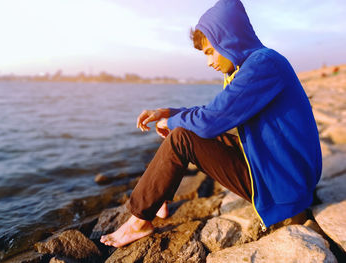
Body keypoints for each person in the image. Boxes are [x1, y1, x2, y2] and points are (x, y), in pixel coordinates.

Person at [100, 0, 322, 247]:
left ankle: (139, 221)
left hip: (284, 184)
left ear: (228, 39)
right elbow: (215, 113)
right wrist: (171, 113)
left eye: (209, 51)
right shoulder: (257, 64)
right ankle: (157, 193)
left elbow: (210, 121)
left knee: (182, 138)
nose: (209, 63)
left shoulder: (263, 65)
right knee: (187, 131)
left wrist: (173, 121)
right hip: (281, 171)